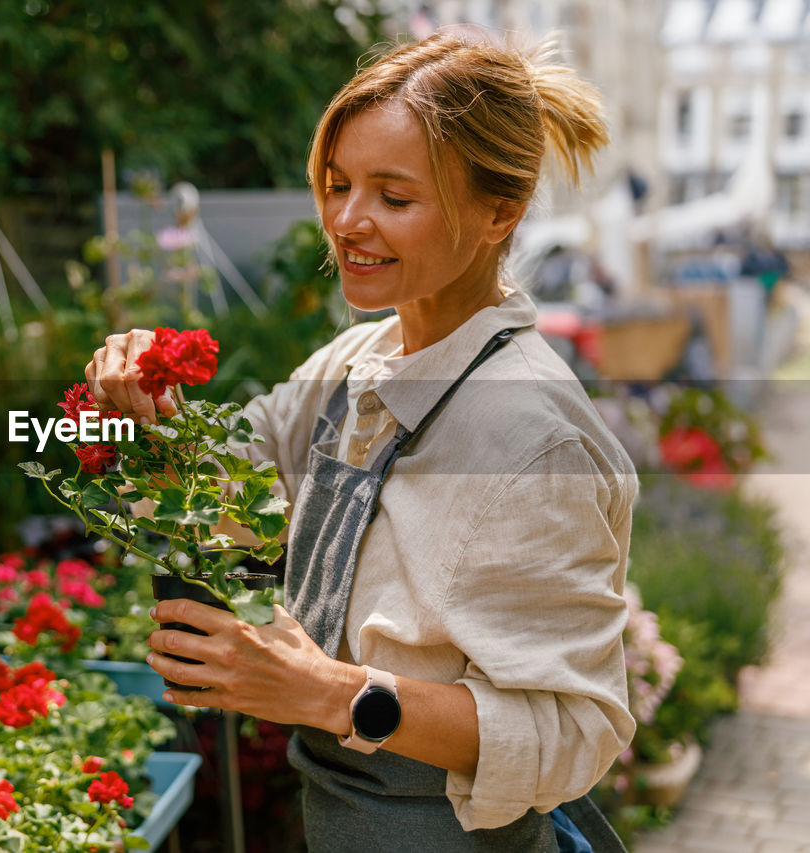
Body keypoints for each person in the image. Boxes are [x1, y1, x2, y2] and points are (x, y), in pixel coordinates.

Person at [86, 30, 636, 853]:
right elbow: (237, 487)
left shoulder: (533, 438)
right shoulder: (357, 362)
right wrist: (140, 407)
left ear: (501, 210)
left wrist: (335, 693)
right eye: (337, 185)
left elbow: (571, 730)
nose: (347, 220)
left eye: (393, 196)